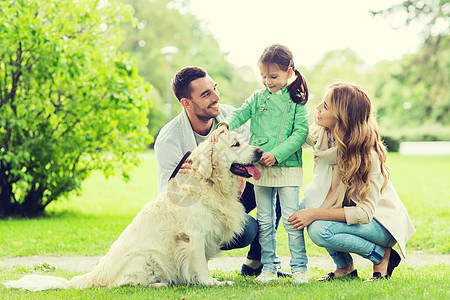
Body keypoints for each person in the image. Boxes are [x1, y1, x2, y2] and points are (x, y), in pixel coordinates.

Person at [154, 66, 286, 277]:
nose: (216, 97)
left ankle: (256, 263)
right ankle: (198, 259)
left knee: (275, 188)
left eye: (214, 88)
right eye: (206, 94)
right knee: (247, 230)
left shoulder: (230, 116)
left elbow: (250, 153)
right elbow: (169, 199)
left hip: (233, 189)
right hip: (198, 205)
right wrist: (184, 178)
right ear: (186, 103)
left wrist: (241, 175)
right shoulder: (169, 139)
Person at [288, 81, 416, 281]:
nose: (318, 109)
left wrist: (313, 213)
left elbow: (364, 213)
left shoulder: (367, 154)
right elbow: (293, 137)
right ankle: (345, 268)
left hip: (380, 223)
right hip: (350, 210)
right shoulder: (325, 134)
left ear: (343, 117)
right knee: (308, 205)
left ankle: (383, 256)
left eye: (326, 106)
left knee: (320, 229)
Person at [210, 44, 310, 284]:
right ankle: (269, 267)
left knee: (290, 220)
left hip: (287, 168)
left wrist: (276, 154)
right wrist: (225, 124)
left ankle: (299, 269)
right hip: (262, 171)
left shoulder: (297, 101)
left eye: (273, 76)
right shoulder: (257, 98)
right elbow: (240, 113)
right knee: (265, 221)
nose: (268, 81)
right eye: (263, 76)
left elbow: (300, 134)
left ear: (289, 72)